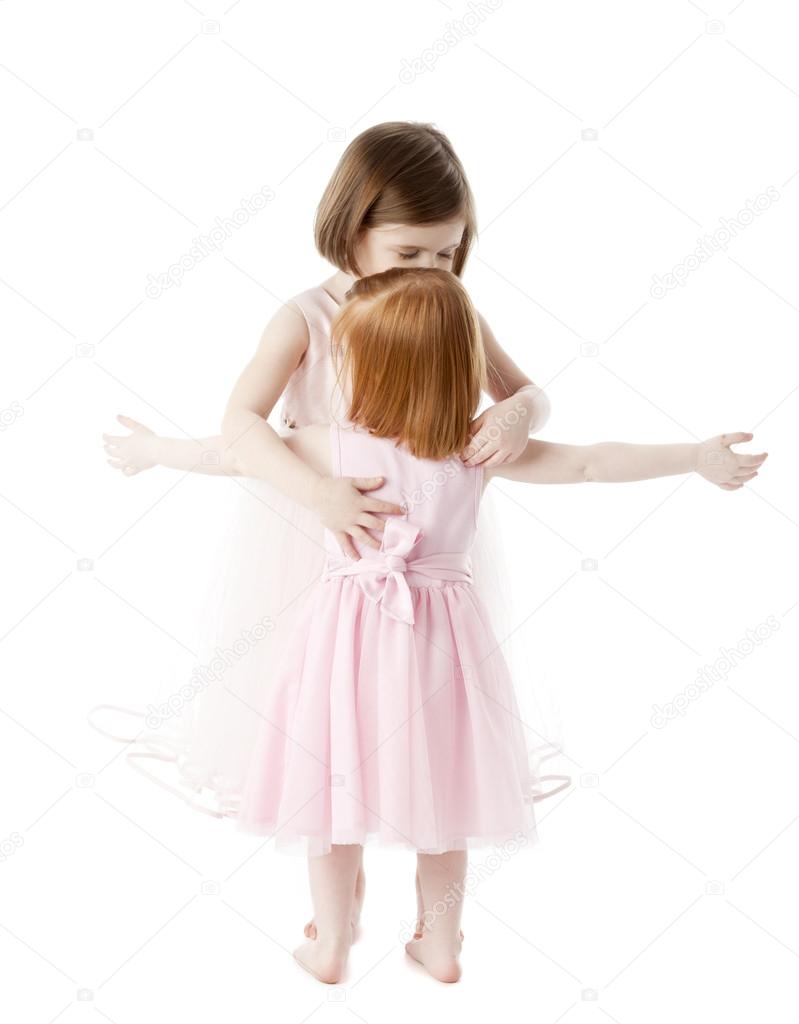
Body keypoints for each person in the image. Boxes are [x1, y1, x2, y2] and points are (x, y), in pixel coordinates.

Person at [231, 266, 768, 985]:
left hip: (346, 641)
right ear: (458, 367)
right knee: (445, 793)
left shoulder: (329, 445)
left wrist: (150, 453)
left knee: (334, 785)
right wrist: (691, 457)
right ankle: (441, 943)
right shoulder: (471, 448)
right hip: (441, 645)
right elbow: (586, 465)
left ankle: (329, 943)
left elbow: (226, 450)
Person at [90, 122, 567, 839]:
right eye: (408, 252)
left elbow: (527, 390)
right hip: (319, 525)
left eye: (447, 252)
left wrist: (517, 415)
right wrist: (315, 494)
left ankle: (415, 818)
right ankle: (333, 854)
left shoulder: (448, 308)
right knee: (319, 695)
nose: (432, 269)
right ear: (351, 230)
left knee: (414, 692)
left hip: (426, 525)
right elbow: (241, 426)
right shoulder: (307, 315)